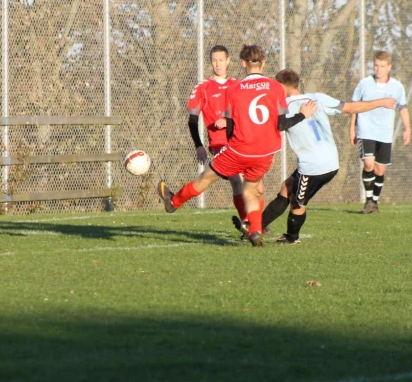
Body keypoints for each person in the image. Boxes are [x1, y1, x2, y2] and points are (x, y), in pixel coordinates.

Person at [158, 45, 315, 247]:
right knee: (251, 190)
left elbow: (231, 125)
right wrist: (302, 114)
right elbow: (281, 124)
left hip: (239, 149)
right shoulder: (276, 87)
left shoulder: (234, 88)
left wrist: (232, 145)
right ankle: (256, 230)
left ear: (241, 63)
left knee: (206, 178)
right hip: (266, 152)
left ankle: (173, 203)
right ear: (264, 63)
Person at [261, 69, 397, 243]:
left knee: (298, 201)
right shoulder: (317, 98)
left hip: (313, 166)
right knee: (287, 186)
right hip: (332, 162)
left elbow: (271, 125)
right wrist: (382, 102)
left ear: (280, 86)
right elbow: (351, 107)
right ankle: (258, 226)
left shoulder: (283, 105)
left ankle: (291, 237)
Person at [186, 45, 248, 221]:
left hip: (241, 142)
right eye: (214, 60)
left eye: (221, 60)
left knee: (254, 186)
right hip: (219, 144)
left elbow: (245, 116)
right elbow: (192, 119)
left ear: (228, 61)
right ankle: (249, 223)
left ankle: (255, 222)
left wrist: (228, 121)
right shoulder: (202, 87)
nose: (218, 64)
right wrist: (199, 145)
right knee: (237, 180)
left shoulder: (238, 86)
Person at [349, 51, 410, 214]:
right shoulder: (364, 83)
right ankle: (369, 200)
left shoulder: (396, 86)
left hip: (384, 133)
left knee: (380, 170)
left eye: (382, 66)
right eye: (376, 65)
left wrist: (407, 128)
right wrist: (352, 129)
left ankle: (374, 202)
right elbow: (354, 106)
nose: (378, 69)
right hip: (366, 131)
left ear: (389, 67)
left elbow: (402, 108)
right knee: (368, 164)